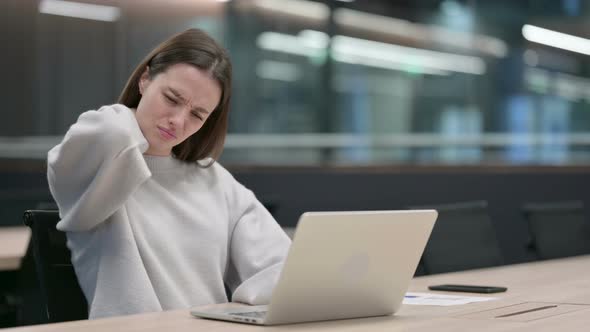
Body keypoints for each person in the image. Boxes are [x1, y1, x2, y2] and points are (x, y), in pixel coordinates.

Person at [47, 28, 291, 319]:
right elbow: (111, 133)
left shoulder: (214, 179)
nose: (178, 121)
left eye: (198, 114)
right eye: (172, 98)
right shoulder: (98, 162)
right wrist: (135, 117)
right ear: (145, 78)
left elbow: (285, 271)